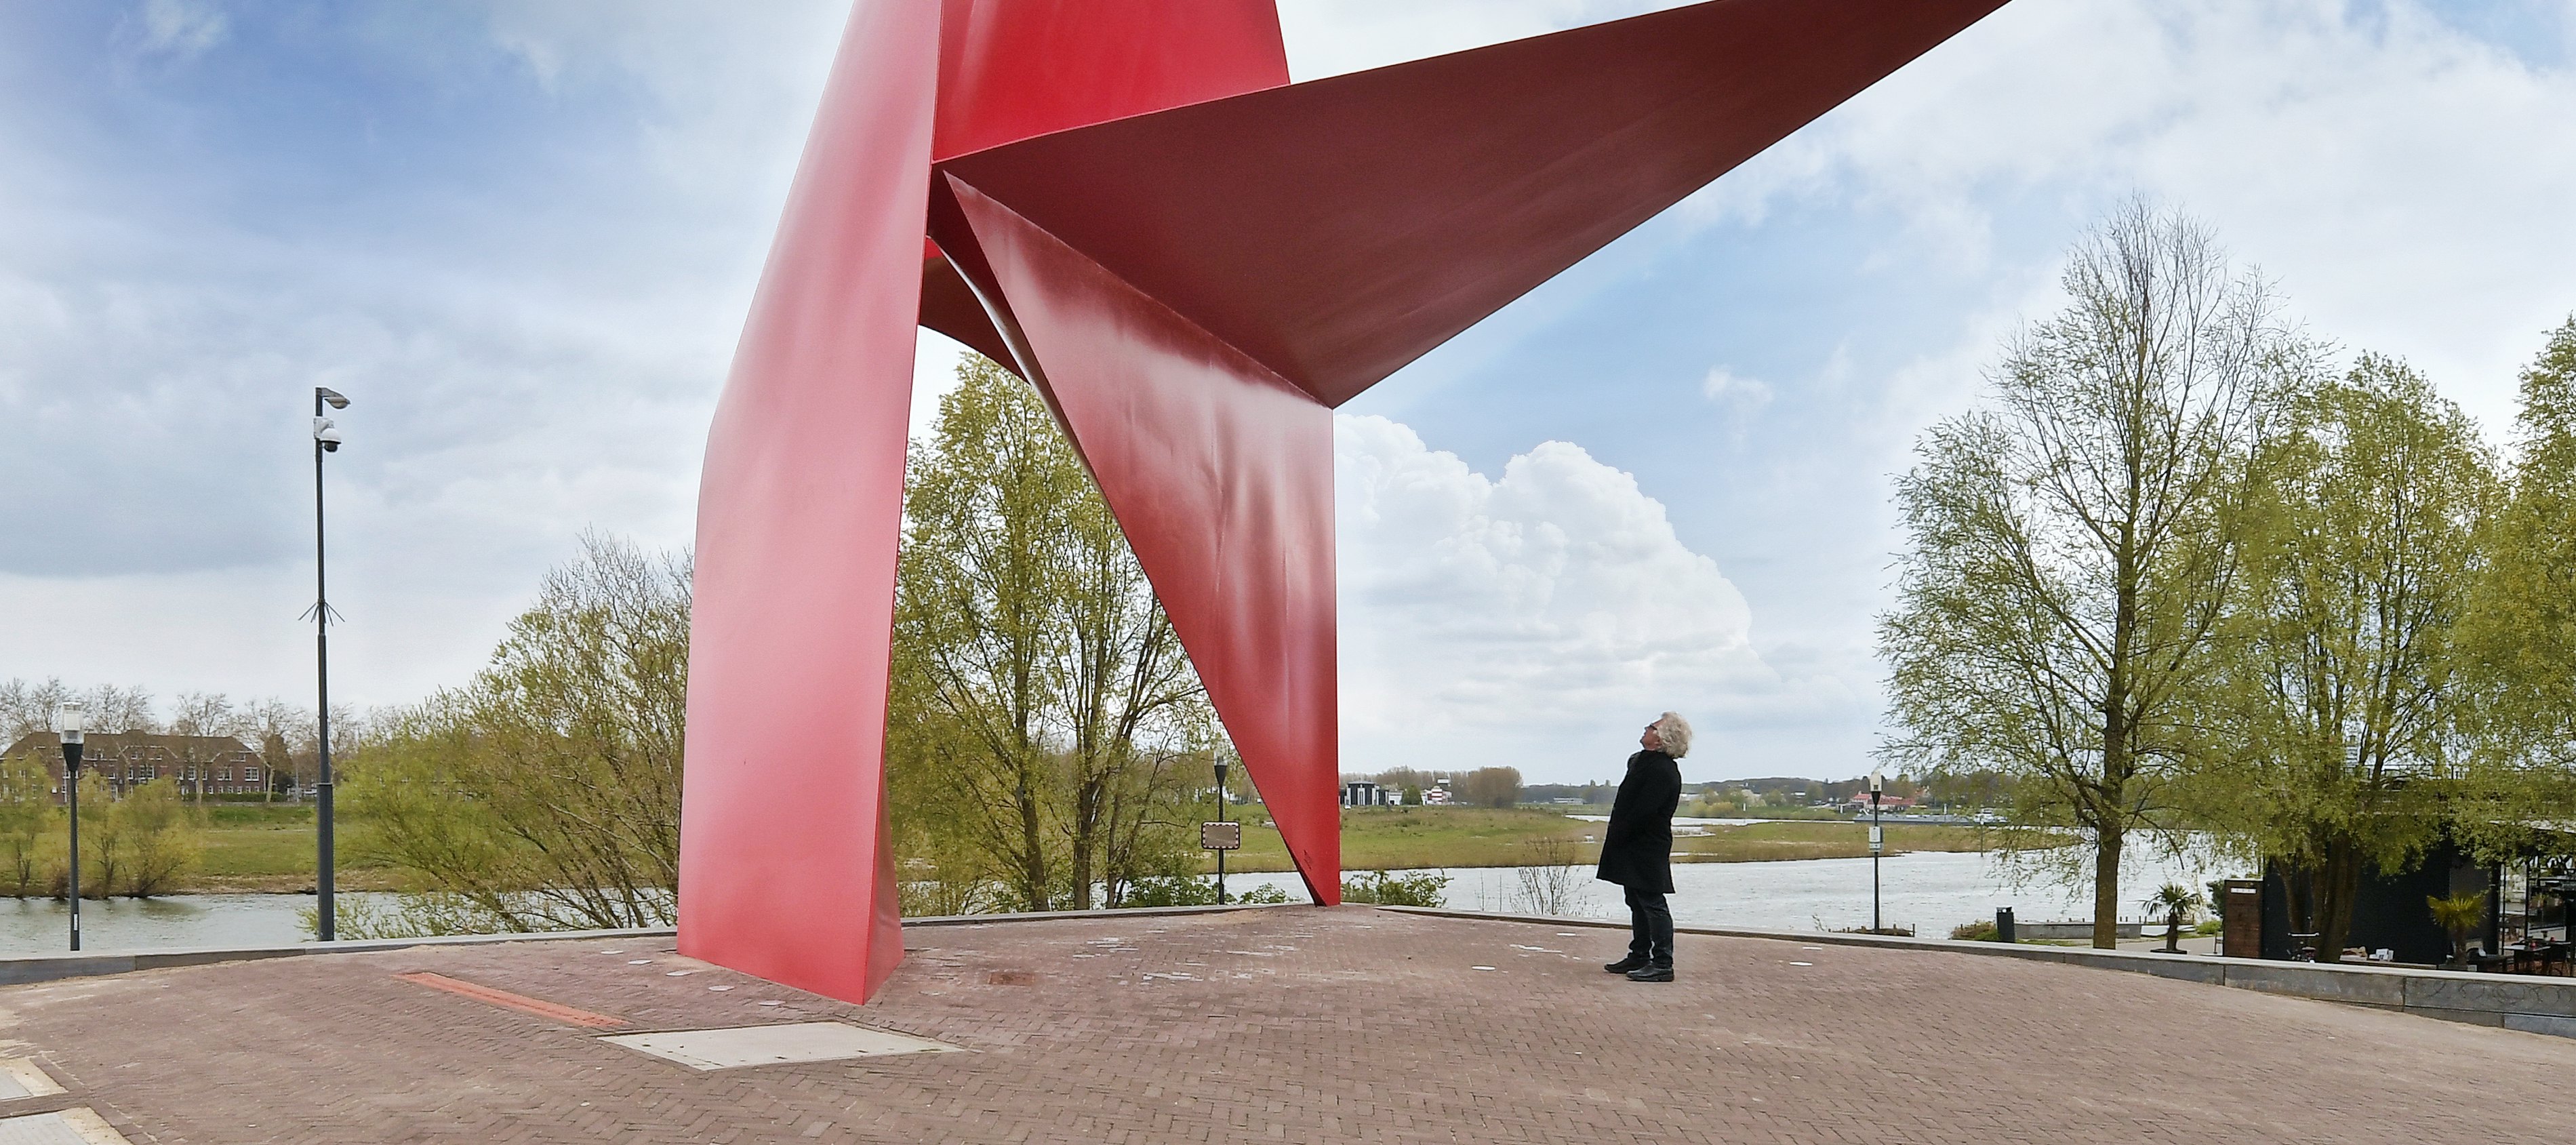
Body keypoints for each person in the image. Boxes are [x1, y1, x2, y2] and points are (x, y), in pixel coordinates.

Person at [1598, 712, 1688, 982]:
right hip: (1630, 841)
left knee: (1652, 901)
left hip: (1647, 844)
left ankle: (1663, 963)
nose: (1646, 729)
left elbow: (1644, 810)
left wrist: (1622, 833)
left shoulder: (1663, 770)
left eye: (1652, 727)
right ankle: (1639, 955)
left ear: (1661, 739)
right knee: (1635, 899)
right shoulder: (1640, 762)